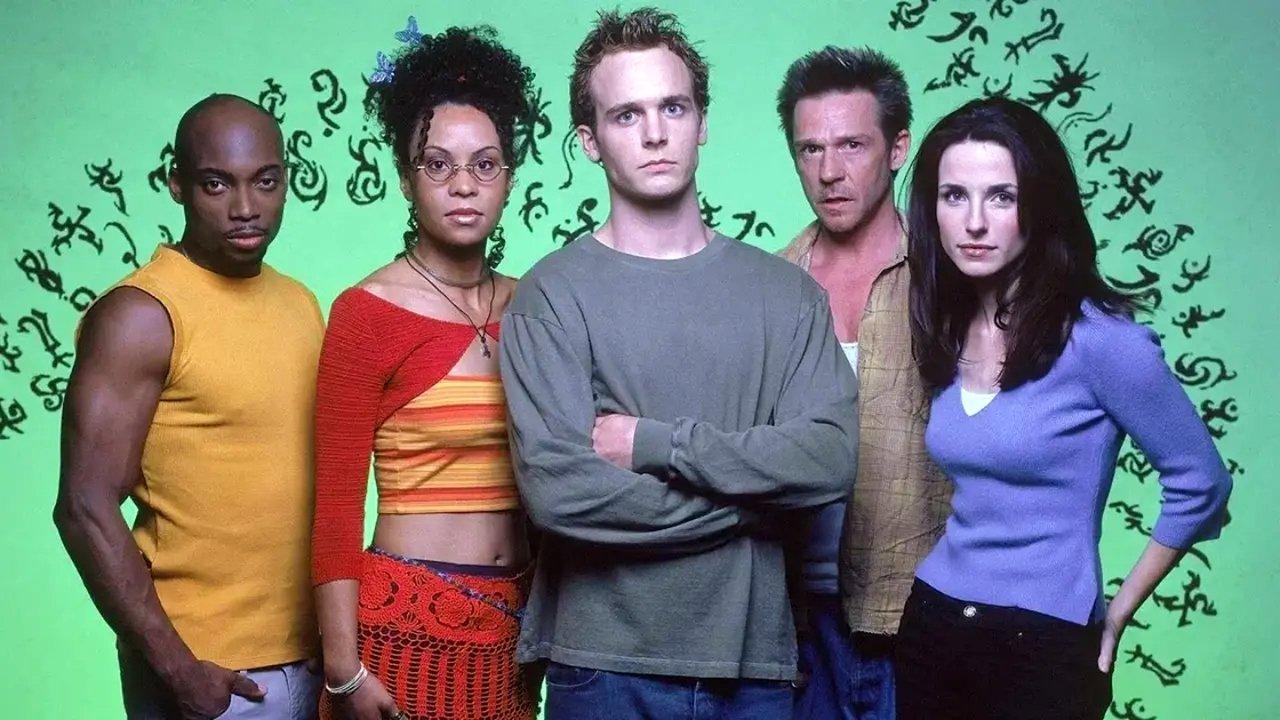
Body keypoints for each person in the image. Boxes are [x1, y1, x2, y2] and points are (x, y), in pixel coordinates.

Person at [499, 8, 858, 720]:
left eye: (673, 107)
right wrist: (757, 503)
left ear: (703, 123)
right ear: (589, 141)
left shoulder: (787, 295)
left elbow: (829, 459)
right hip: (603, 667)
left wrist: (657, 445)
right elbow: (562, 494)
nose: (656, 133)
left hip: (754, 667)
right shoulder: (551, 295)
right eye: (626, 115)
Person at [894, 97, 1233, 720]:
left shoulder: (1101, 340)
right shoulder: (946, 326)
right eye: (954, 196)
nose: (974, 222)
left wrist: (1119, 610)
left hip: (1043, 640)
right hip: (933, 621)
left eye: (1002, 196)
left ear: (1041, 205)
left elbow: (1202, 482)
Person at [54, 94, 324, 719]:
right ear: (177, 185)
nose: (245, 207)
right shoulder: (140, 315)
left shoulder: (301, 303)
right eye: (216, 184)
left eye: (265, 181)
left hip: (311, 665)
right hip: (208, 674)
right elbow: (83, 507)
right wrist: (178, 670)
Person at [310, 26, 539, 720]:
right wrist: (343, 670)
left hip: (515, 633)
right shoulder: (366, 313)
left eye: (485, 165)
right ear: (406, 179)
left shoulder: (535, 305)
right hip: (404, 632)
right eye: (437, 165)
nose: (463, 186)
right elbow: (335, 509)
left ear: (509, 177)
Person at [775, 46, 950, 720]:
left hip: (921, 615)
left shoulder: (951, 278)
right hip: (792, 623)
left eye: (852, 145)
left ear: (898, 147)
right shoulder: (770, 285)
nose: (829, 171)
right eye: (810, 149)